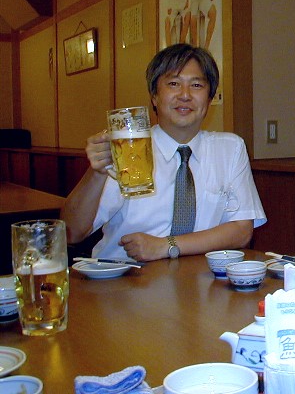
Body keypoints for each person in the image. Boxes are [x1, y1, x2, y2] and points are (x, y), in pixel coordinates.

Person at [62, 44, 266, 262]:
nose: (185, 95)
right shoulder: (127, 148)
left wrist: (166, 246)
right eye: (174, 84)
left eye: (196, 85)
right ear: (154, 96)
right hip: (124, 277)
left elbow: (242, 230)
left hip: (200, 278)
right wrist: (97, 173)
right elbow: (72, 233)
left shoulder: (230, 149)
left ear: (209, 98)